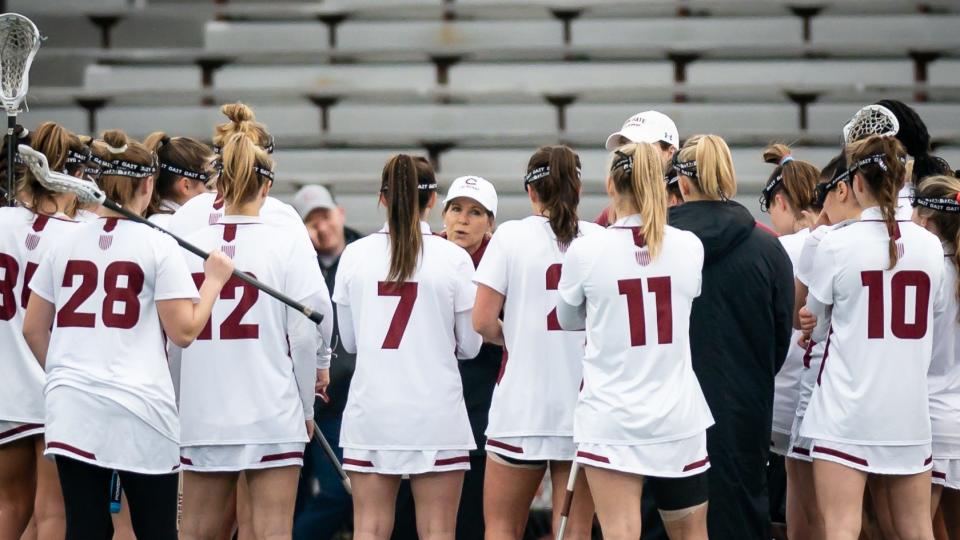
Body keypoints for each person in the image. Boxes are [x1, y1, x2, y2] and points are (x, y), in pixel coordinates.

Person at [21, 129, 234, 539]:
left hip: (72, 407)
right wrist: (213, 282)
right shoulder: (158, 244)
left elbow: (33, 328)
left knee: (85, 527)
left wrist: (69, 374)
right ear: (148, 184)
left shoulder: (62, 241)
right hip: (140, 408)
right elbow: (184, 331)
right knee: (155, 529)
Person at [178, 133, 333, 540]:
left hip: (203, 411)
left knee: (196, 533)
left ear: (220, 183)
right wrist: (307, 407)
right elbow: (306, 331)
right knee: (270, 533)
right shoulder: (285, 233)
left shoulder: (186, 232)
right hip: (270, 410)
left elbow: (171, 329)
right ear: (266, 186)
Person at [555, 142, 713, 540]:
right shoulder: (689, 246)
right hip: (677, 416)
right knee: (692, 534)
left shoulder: (587, 250)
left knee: (621, 533)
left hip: (612, 416)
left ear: (611, 184)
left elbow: (567, 318)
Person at [801, 135, 944, 540]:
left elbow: (816, 320)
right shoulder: (931, 246)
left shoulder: (835, 244)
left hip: (846, 412)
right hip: (908, 412)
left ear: (856, 183)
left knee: (842, 529)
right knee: (918, 530)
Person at [332, 154, 482, 540]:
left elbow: (348, 341)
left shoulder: (355, 254)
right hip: (436, 412)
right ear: (433, 201)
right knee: (437, 531)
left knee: (370, 529)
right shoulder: (454, 259)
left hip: (373, 411)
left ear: (383, 198)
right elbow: (470, 345)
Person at [667, 134, 795, 539]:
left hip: (665, 409)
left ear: (682, 185)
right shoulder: (768, 248)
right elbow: (780, 337)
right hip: (743, 409)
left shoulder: (653, 246)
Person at [473, 145, 600, 540]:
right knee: (576, 532)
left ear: (531, 192)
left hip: (520, 407)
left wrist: (516, 338)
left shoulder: (510, 236)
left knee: (502, 529)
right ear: (578, 189)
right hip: (582, 408)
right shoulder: (599, 239)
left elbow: (481, 321)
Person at [0, 122, 78, 540]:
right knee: (52, 514)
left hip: (4, 385)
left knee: (8, 506)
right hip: (53, 383)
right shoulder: (75, 236)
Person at [788, 154, 861, 540]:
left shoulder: (826, 241)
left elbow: (805, 319)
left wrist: (817, 230)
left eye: (825, 191)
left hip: (828, 392)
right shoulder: (922, 244)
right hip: (904, 406)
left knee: (826, 517)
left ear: (846, 189)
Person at [290, 184, 363, 540]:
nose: (321, 228)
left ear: (341, 213)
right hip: (296, 396)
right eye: (311, 222)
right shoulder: (298, 264)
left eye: (325, 216)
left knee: (338, 493)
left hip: (341, 401)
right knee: (291, 494)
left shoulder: (364, 255)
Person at [756, 144, 820, 539]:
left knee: (791, 517)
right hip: (829, 400)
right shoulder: (834, 241)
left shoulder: (778, 248)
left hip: (783, 402)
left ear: (780, 200)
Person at [912, 175, 960, 534]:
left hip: (929, 418)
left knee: (908, 529)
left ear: (926, 223)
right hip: (953, 418)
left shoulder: (931, 275)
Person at [596, 111, 680, 226]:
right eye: (624, 145)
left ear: (671, 152)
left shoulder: (687, 207)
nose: (629, 153)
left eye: (640, 146)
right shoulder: (610, 215)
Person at [143, 132, 215, 228]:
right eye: (209, 185)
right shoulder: (176, 227)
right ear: (186, 185)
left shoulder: (156, 222)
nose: (215, 192)